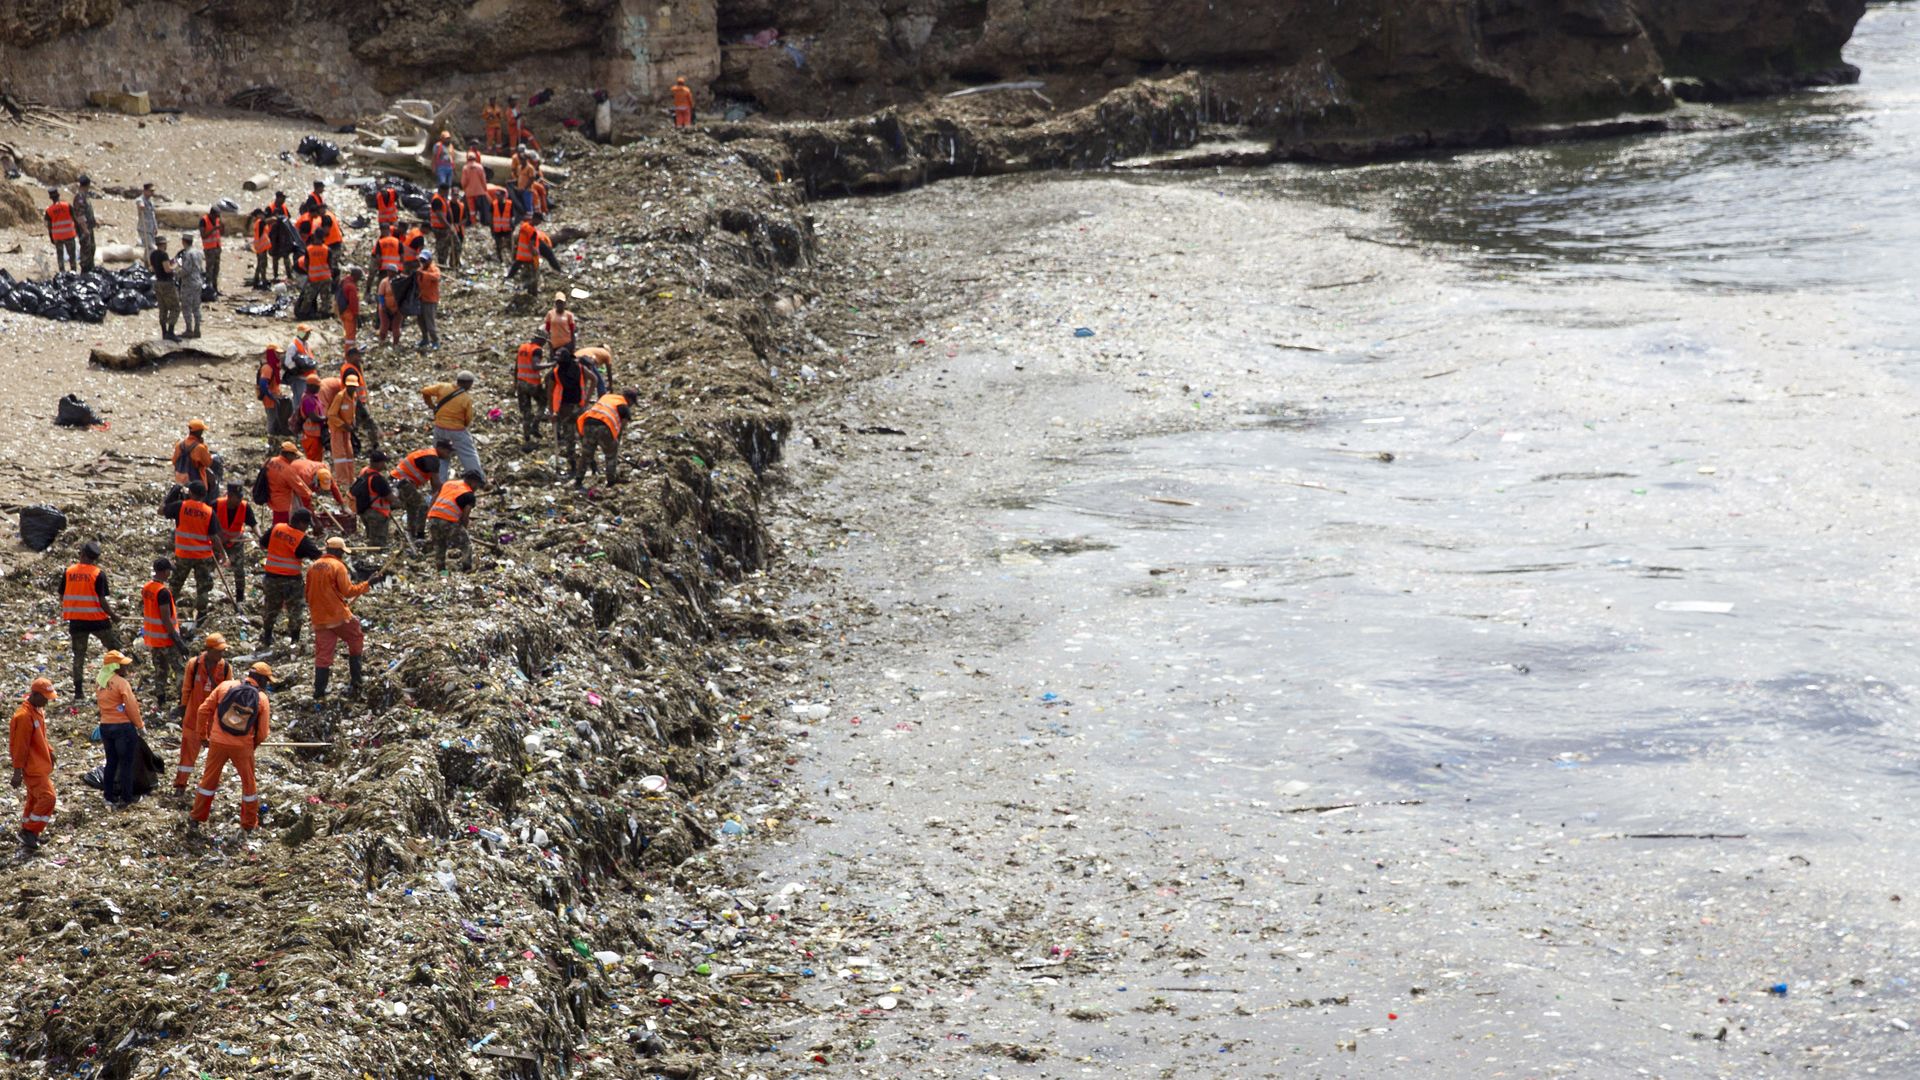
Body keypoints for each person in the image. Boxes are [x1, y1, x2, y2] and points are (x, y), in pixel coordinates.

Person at [189, 662, 274, 835]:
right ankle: (249, 824)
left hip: (217, 743)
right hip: (243, 747)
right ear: (261, 680)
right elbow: (263, 733)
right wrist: (252, 745)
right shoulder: (262, 698)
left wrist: (203, 736)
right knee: (249, 785)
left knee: (208, 781)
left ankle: (196, 818)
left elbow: (203, 710)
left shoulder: (225, 686)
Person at [308, 537, 379, 701]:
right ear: (338, 551)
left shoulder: (312, 567)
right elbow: (348, 591)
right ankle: (356, 680)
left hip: (319, 617)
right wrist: (368, 583)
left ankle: (319, 691)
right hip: (338, 616)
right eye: (342, 552)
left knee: (323, 655)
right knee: (356, 637)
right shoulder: (338, 566)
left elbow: (308, 593)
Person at [61, 541, 121, 703]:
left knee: (79, 655)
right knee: (115, 648)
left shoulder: (68, 572)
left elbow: (62, 595)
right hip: (97, 620)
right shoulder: (98, 574)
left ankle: (79, 692)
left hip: (77, 621)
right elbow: (101, 600)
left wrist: (72, 608)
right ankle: (117, 682)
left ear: (81, 554)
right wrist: (113, 615)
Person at [174, 632, 230, 797]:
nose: (221, 654)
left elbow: (227, 693)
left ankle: (210, 785)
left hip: (213, 720)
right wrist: (183, 709)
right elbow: (186, 689)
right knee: (187, 754)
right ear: (208, 650)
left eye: (222, 651)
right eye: (218, 650)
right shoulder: (194, 664)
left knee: (214, 756)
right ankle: (180, 784)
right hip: (193, 717)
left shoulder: (225, 667)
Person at [259, 509, 321, 652]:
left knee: (271, 608)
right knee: (295, 610)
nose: (307, 529)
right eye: (306, 525)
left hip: (271, 578)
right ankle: (294, 641)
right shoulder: (301, 538)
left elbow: (263, 543)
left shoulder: (277, 528)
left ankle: (267, 637)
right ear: (300, 523)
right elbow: (317, 555)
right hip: (291, 581)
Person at [161, 482, 221, 623]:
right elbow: (214, 536)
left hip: (184, 555)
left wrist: (169, 498)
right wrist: (222, 553)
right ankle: (201, 614)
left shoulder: (180, 506)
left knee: (175, 584)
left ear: (191, 493)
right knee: (203, 587)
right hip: (203, 556)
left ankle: (167, 613)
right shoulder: (209, 511)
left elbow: (161, 510)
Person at [10, 678, 58, 853]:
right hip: (32, 767)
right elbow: (19, 746)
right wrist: (17, 771)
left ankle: (28, 831)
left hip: (40, 763)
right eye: (45, 697)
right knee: (48, 798)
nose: (47, 701)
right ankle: (30, 830)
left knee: (34, 799)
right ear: (35, 695)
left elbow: (41, 737)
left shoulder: (37, 710)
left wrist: (50, 750)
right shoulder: (23, 717)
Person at [95, 649, 143, 809]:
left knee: (111, 762)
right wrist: (140, 725)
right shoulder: (122, 683)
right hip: (122, 728)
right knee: (126, 764)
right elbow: (131, 707)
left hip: (106, 727)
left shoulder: (100, 682)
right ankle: (126, 797)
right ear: (115, 667)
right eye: (123, 665)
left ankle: (109, 795)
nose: (126, 669)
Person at [139, 557, 186, 712]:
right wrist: (177, 640)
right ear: (165, 572)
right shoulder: (163, 592)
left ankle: (161, 700)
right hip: (166, 639)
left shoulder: (147, 588)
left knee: (160, 670)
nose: (169, 575)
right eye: (168, 571)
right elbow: (165, 619)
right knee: (179, 669)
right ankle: (182, 700)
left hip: (153, 639)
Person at [422, 371, 484, 484]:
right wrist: (462, 427)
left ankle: (440, 483)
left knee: (441, 455)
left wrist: (430, 405)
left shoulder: (443, 387)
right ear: (468, 384)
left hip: (439, 428)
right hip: (457, 430)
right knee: (468, 454)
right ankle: (477, 480)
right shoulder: (466, 399)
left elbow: (425, 391)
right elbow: (468, 418)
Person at [548, 345, 597, 473]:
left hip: (568, 409)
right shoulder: (577, 369)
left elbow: (550, 393)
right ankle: (586, 466)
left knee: (572, 439)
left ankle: (578, 467)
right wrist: (586, 401)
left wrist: (552, 411)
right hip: (574, 408)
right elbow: (594, 379)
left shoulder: (559, 372)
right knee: (582, 438)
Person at [574, 391, 634, 487]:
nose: (631, 405)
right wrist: (616, 440)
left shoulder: (607, 397)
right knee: (611, 455)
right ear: (629, 399)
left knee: (586, 454)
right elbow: (623, 424)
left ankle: (578, 480)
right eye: (632, 403)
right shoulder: (623, 404)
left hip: (588, 423)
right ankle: (611, 481)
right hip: (604, 426)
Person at [391, 444, 447, 541]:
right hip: (401, 482)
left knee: (412, 507)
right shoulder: (433, 458)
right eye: (448, 451)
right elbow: (437, 483)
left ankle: (411, 533)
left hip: (397, 482)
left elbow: (434, 485)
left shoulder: (428, 454)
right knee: (423, 505)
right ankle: (420, 534)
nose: (449, 454)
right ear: (441, 448)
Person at [213, 481, 254, 607]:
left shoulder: (245, 507)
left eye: (241, 496)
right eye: (238, 497)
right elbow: (208, 523)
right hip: (217, 541)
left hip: (236, 542)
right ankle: (206, 594)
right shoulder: (216, 504)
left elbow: (253, 523)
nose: (240, 499)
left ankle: (240, 599)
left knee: (239, 570)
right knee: (208, 567)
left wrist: (260, 536)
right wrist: (219, 537)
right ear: (230, 496)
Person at [427, 473, 480, 572]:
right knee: (466, 544)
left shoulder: (449, 483)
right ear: (473, 482)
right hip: (447, 521)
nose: (477, 488)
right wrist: (463, 529)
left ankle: (442, 573)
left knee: (440, 547)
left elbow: (434, 497)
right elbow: (465, 516)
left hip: (433, 518)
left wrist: (429, 513)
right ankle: (467, 570)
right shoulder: (469, 495)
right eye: (477, 485)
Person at [509, 212, 559, 298]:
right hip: (530, 259)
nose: (540, 223)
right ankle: (533, 295)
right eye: (539, 221)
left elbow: (519, 241)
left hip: (521, 257)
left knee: (525, 274)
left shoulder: (524, 226)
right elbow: (532, 246)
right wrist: (537, 253)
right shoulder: (533, 232)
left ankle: (517, 283)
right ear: (536, 219)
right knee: (534, 278)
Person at [265, 441, 315, 526]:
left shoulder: (271, 461)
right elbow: (298, 487)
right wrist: (310, 494)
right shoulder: (287, 470)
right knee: (282, 526)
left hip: (271, 497)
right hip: (283, 503)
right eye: (294, 455)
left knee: (276, 523)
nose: (295, 458)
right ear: (288, 455)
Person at [352, 450, 395, 548]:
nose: (385, 465)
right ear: (378, 463)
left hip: (365, 511)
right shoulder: (378, 479)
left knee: (371, 539)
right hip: (377, 514)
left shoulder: (364, 471)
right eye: (383, 462)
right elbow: (390, 498)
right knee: (378, 545)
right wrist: (396, 492)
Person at [326, 373, 361, 489]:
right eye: (350, 386)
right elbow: (331, 414)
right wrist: (343, 425)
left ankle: (351, 479)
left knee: (349, 453)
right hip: (337, 429)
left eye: (354, 386)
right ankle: (342, 482)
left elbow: (352, 411)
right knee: (340, 455)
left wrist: (353, 422)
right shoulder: (340, 396)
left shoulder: (354, 396)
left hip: (347, 429)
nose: (352, 388)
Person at [513, 330, 548, 447]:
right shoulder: (537, 350)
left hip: (521, 382)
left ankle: (526, 436)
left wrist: (515, 383)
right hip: (532, 384)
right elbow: (535, 366)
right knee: (543, 403)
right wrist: (551, 364)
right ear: (541, 340)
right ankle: (535, 425)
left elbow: (516, 366)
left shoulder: (522, 347)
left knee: (526, 411)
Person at [174, 231, 205, 339]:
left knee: (186, 306)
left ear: (183, 242)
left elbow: (186, 270)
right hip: (198, 281)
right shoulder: (198, 252)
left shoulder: (188, 254)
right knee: (196, 307)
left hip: (189, 283)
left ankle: (189, 330)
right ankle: (197, 329)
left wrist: (176, 274)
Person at [150, 236, 180, 341]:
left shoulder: (153, 255)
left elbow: (152, 268)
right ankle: (170, 332)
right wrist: (175, 266)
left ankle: (164, 332)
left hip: (158, 283)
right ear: (163, 244)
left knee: (163, 308)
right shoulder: (163, 255)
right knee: (175, 307)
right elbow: (167, 269)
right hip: (167, 283)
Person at [172, 418, 215, 489]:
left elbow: (174, 461)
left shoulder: (179, 445)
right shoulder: (200, 447)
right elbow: (208, 463)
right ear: (200, 432)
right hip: (196, 483)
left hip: (179, 480)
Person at [299, 232, 333, 318]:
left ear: (314, 237)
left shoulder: (309, 249)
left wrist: (309, 272)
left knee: (309, 296)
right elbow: (330, 264)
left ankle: (303, 313)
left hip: (314, 277)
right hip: (325, 277)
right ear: (323, 238)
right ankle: (325, 313)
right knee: (325, 297)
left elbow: (306, 263)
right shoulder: (327, 249)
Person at [44, 188, 78, 273]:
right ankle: (73, 272)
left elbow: (49, 226)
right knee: (72, 256)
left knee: (60, 256)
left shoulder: (49, 210)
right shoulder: (67, 206)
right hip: (69, 234)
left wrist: (51, 237)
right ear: (59, 195)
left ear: (51, 198)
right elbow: (75, 219)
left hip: (57, 237)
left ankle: (62, 272)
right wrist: (78, 231)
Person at [256, 349, 287, 438]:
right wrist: (272, 396)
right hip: (270, 399)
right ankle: (270, 439)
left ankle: (273, 438)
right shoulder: (267, 368)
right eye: (277, 353)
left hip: (275, 396)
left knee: (276, 419)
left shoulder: (274, 366)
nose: (279, 355)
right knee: (272, 420)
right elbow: (263, 384)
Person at [416, 252, 443, 351]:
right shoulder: (420, 269)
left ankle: (435, 340)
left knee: (430, 322)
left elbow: (436, 277)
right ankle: (425, 339)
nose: (422, 262)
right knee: (420, 321)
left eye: (424, 260)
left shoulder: (433, 269)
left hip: (430, 300)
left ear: (430, 260)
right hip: (421, 299)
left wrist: (423, 274)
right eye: (421, 260)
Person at [73, 176, 98, 273]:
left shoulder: (84, 197)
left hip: (89, 228)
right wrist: (85, 229)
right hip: (84, 229)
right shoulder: (79, 198)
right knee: (86, 250)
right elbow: (80, 215)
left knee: (92, 248)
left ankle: (90, 269)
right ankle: (85, 270)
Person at [299, 373, 325, 462]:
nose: (319, 388)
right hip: (311, 436)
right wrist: (326, 418)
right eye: (317, 386)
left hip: (315, 435)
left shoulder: (313, 397)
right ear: (311, 386)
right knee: (313, 461)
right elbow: (313, 417)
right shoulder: (308, 400)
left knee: (317, 459)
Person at [198, 206, 225, 296]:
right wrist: (213, 229)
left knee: (216, 269)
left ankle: (215, 288)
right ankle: (208, 289)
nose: (217, 218)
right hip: (209, 249)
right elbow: (203, 235)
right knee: (209, 269)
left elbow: (222, 233)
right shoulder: (204, 221)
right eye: (216, 216)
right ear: (211, 214)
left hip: (217, 247)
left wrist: (222, 226)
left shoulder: (217, 220)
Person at [462, 145, 490, 222]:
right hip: (480, 192)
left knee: (472, 209)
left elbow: (464, 181)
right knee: (481, 208)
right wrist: (485, 188)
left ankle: (473, 221)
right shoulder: (480, 167)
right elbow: (483, 179)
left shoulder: (465, 168)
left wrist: (464, 188)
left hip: (469, 192)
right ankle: (482, 221)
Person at [488, 184, 514, 262]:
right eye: (497, 195)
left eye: (499, 195)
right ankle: (500, 259)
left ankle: (512, 259)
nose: (497, 197)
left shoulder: (509, 204)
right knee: (498, 245)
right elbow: (491, 217)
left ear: (503, 196)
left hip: (507, 229)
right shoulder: (493, 204)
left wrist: (512, 226)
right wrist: (491, 228)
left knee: (510, 245)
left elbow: (512, 217)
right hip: (497, 229)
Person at [247, 208, 273, 288]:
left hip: (260, 247)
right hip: (261, 247)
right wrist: (275, 218)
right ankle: (263, 280)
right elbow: (267, 221)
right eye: (262, 214)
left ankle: (256, 280)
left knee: (259, 264)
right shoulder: (259, 222)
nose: (263, 215)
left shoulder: (257, 223)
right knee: (263, 265)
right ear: (258, 215)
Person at [339, 267, 362, 354]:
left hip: (343, 311)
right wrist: (357, 317)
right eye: (359, 277)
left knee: (348, 335)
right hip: (349, 314)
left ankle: (349, 352)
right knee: (350, 337)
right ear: (355, 276)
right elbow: (353, 304)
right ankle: (348, 355)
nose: (359, 280)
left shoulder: (345, 281)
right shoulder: (351, 287)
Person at [136, 182, 158, 257]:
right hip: (144, 228)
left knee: (148, 249)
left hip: (151, 229)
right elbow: (139, 203)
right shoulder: (141, 199)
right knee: (153, 248)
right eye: (150, 191)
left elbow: (152, 215)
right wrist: (141, 206)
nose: (152, 193)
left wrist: (155, 227)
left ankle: (147, 264)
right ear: (145, 191)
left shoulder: (150, 201)